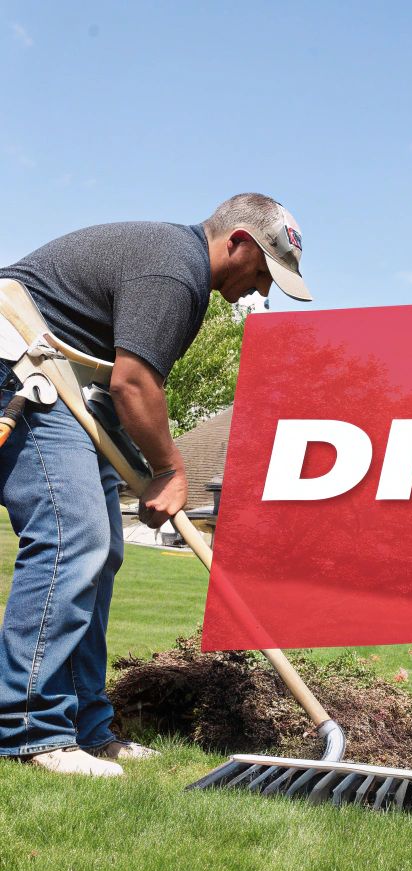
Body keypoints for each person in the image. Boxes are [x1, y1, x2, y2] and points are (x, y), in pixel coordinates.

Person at [0, 193, 311, 777]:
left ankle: (87, 728)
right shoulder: (175, 270)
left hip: (72, 385)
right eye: (264, 271)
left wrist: (147, 470)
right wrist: (170, 469)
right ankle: (27, 725)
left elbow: (118, 383)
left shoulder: (179, 270)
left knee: (100, 553)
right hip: (19, 369)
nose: (260, 289)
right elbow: (135, 383)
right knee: (74, 540)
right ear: (238, 241)